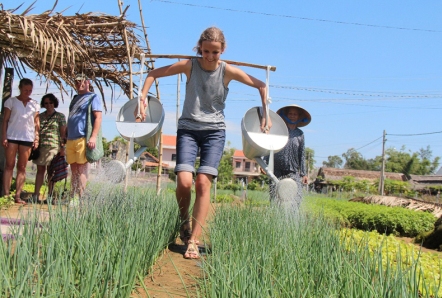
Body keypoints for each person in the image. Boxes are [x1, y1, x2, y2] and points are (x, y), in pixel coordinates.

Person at [136, 27, 272, 259]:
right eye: (206, 51)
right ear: (200, 47)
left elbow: (262, 85)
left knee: (202, 183)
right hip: (188, 129)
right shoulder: (190, 65)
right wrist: (142, 99)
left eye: (215, 52)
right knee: (184, 181)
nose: (209, 56)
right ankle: (184, 223)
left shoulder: (227, 71)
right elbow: (152, 74)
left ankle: (194, 241)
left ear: (223, 51)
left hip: (214, 133)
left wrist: (266, 114)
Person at [265, 104, 311, 210]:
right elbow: (270, 146)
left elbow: (302, 153)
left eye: (295, 114)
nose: (292, 116)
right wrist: (266, 163)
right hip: (277, 169)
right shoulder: (279, 130)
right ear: (286, 115)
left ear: (298, 117)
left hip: (292, 171)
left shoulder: (300, 134)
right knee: (275, 198)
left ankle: (292, 220)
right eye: (290, 113)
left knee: (296, 198)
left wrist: (303, 173)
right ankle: (274, 219)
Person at [2, 78, 40, 204]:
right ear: (20, 88)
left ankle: (18, 195)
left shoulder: (34, 104)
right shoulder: (11, 101)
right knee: (9, 165)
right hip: (12, 136)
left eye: (30, 90)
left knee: (22, 167)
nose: (28, 92)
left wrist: (36, 138)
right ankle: (6, 195)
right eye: (25, 90)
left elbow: (36, 123)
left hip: (27, 137)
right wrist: (4, 136)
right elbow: (5, 120)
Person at [66, 74, 102, 199]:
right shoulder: (75, 98)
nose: (79, 84)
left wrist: (93, 137)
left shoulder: (93, 97)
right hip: (71, 138)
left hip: (82, 137)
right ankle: (73, 196)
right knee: (74, 169)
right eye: (76, 82)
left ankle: (81, 197)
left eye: (81, 81)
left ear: (88, 82)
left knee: (82, 169)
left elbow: (98, 117)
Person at [32, 93, 67, 202]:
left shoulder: (60, 116)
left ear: (54, 103)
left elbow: (63, 134)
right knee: (40, 170)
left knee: (51, 172)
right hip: (41, 146)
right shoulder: (40, 116)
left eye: (51, 102)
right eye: (46, 103)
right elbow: (36, 130)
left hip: (54, 147)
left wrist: (62, 147)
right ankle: (36, 195)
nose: (48, 105)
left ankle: (50, 196)